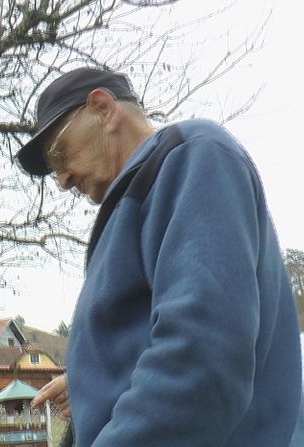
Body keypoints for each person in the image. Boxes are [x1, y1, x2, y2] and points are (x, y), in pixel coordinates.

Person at [19, 67, 302, 446]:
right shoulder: (148, 190)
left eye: (59, 153)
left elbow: (202, 358)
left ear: (103, 109)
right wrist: (91, 381)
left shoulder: (193, 157)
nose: (62, 180)